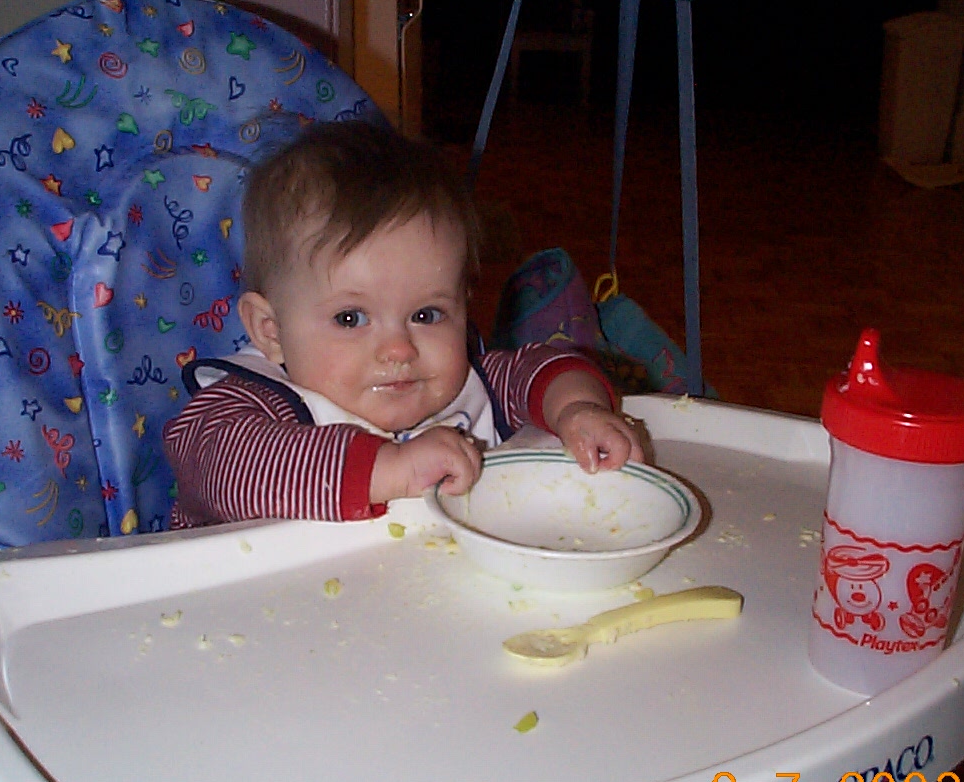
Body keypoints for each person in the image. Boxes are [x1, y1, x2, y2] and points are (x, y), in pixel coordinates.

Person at [163, 120, 644, 528]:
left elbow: (542, 368)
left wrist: (577, 409)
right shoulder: (245, 406)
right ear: (271, 331)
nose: (398, 349)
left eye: (425, 315)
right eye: (350, 318)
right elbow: (221, 468)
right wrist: (389, 470)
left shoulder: (465, 389)